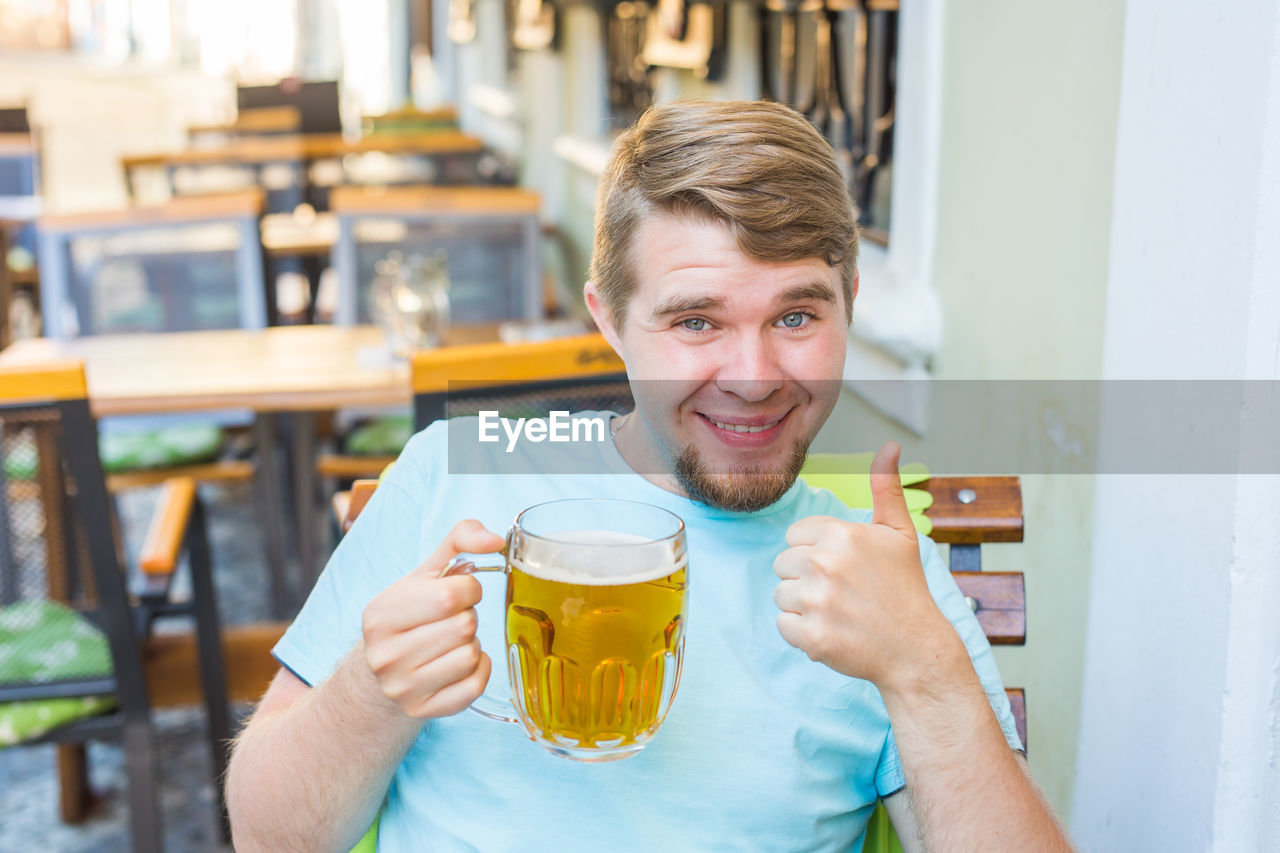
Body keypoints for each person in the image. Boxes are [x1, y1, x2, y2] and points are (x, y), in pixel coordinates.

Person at [226, 100, 1073, 852]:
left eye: (797, 314)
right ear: (610, 320)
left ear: (850, 300)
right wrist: (368, 696)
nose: (753, 372)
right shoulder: (455, 473)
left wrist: (924, 673)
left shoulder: (887, 578)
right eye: (696, 320)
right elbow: (268, 835)